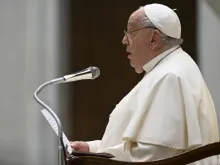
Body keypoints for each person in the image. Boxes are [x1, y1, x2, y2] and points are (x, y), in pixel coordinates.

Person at [70, 3, 219, 164]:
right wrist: (91, 149)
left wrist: (93, 157)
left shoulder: (170, 76)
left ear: (154, 39)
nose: (124, 40)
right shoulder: (168, 68)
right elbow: (147, 148)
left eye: (130, 32)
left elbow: (155, 155)